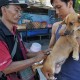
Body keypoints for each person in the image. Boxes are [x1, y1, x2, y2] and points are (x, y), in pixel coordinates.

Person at [0, 0, 47, 80]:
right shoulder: (1, 35)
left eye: (20, 11)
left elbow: (24, 52)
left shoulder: (15, 30)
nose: (20, 14)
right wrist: (35, 59)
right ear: (4, 10)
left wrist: (41, 53)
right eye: (16, 10)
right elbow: (6, 68)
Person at [48, 0, 80, 80]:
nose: (57, 12)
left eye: (59, 7)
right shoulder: (56, 26)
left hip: (73, 76)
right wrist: (46, 64)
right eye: (55, 8)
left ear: (70, 3)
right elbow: (50, 48)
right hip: (55, 74)